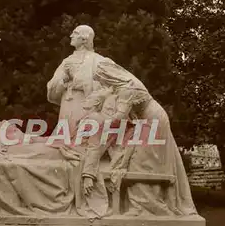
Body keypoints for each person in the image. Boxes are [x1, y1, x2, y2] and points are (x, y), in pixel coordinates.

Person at [80, 59, 198, 217]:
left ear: (108, 76)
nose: (102, 85)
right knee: (141, 159)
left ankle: (144, 207)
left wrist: (100, 124)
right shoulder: (122, 87)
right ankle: (141, 205)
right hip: (146, 121)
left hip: (152, 120)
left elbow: (118, 118)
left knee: (140, 161)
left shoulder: (127, 88)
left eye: (101, 81)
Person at [47, 25, 112, 136]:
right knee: (66, 140)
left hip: (88, 107)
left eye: (75, 33)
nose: (71, 36)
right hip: (69, 105)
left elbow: (111, 88)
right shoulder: (67, 61)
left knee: (85, 139)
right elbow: (52, 88)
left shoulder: (100, 61)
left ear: (84, 39)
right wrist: (63, 81)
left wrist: (81, 83)